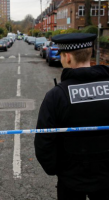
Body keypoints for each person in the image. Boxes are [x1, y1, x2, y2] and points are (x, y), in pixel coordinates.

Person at [34, 33, 109, 200]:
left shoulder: (56, 96)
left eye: (61, 55)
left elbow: (44, 142)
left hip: (71, 181)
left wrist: (56, 169)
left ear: (67, 57)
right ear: (91, 53)